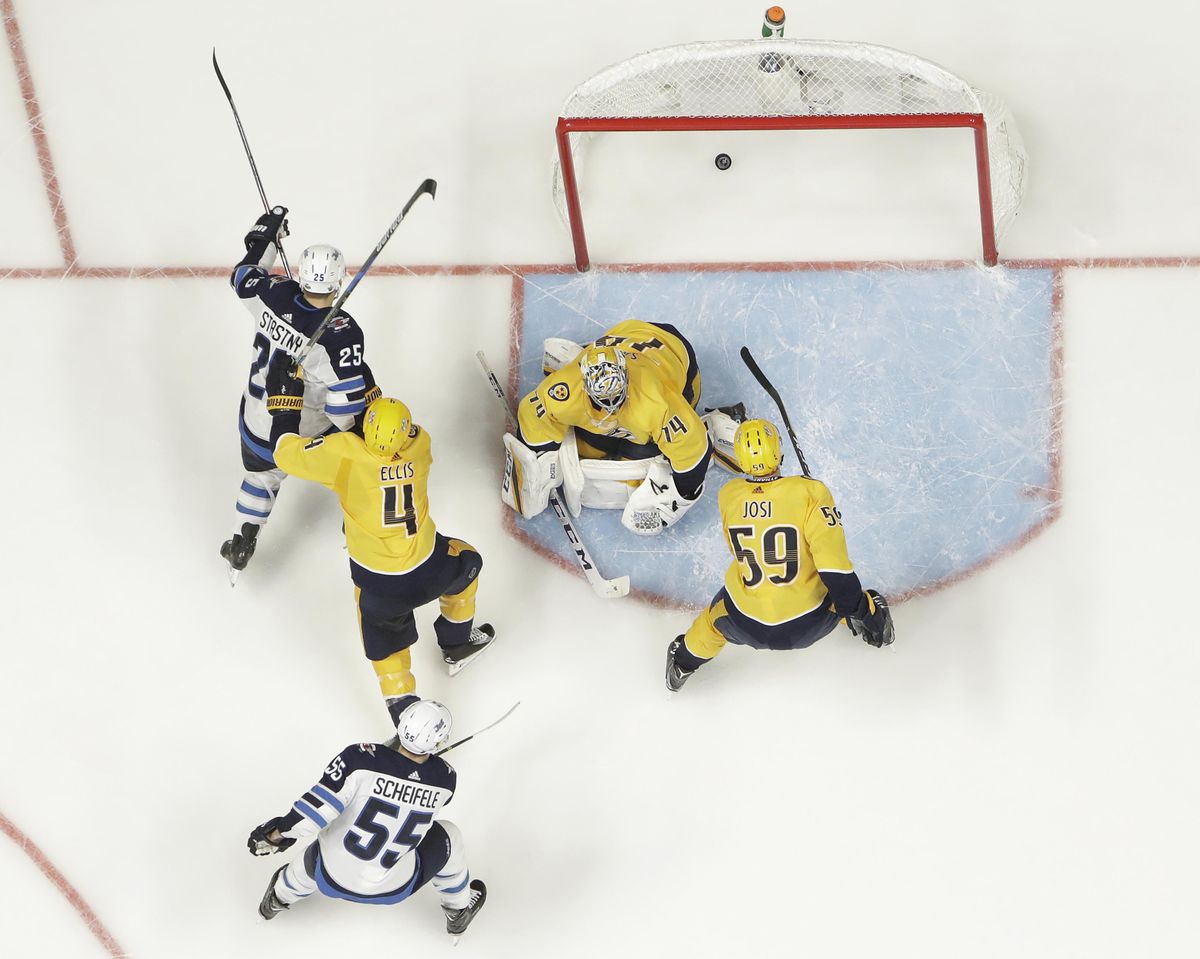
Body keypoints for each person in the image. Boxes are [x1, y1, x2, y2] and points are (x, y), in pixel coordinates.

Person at [264, 352, 496, 721]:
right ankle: (457, 643)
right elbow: (387, 426)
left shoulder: (344, 454)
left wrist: (285, 405)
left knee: (384, 648)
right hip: (431, 566)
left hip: (379, 583)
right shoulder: (419, 445)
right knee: (468, 561)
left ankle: (405, 713)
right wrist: (365, 382)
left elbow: (283, 452)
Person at [665, 419, 895, 691]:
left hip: (746, 623)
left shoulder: (728, 495)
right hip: (809, 624)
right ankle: (875, 631)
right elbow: (835, 570)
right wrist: (864, 612)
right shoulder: (811, 492)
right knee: (848, 599)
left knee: (712, 623)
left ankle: (681, 663)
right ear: (778, 451)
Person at [220, 205, 379, 582]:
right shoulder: (339, 334)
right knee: (358, 462)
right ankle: (358, 527)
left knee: (261, 478)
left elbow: (243, 275)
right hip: (302, 436)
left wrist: (267, 237)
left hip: (254, 423)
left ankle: (244, 539)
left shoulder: (272, 293)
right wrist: (362, 431)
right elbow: (344, 410)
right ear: (339, 281)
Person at [248, 697, 487, 940]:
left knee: (320, 849)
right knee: (450, 835)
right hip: (394, 889)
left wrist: (275, 834)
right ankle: (458, 909)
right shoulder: (446, 779)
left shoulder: (358, 759)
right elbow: (418, 782)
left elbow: (311, 816)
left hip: (327, 877)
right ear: (439, 741)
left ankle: (277, 900)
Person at [502, 319, 740, 536]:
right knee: (591, 450)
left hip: (675, 357)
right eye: (602, 402)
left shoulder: (657, 400)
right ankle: (583, 353)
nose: (610, 409)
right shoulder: (566, 387)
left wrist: (680, 492)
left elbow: (693, 452)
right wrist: (543, 458)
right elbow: (533, 412)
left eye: (615, 398)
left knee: (634, 479)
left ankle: (713, 428)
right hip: (626, 334)